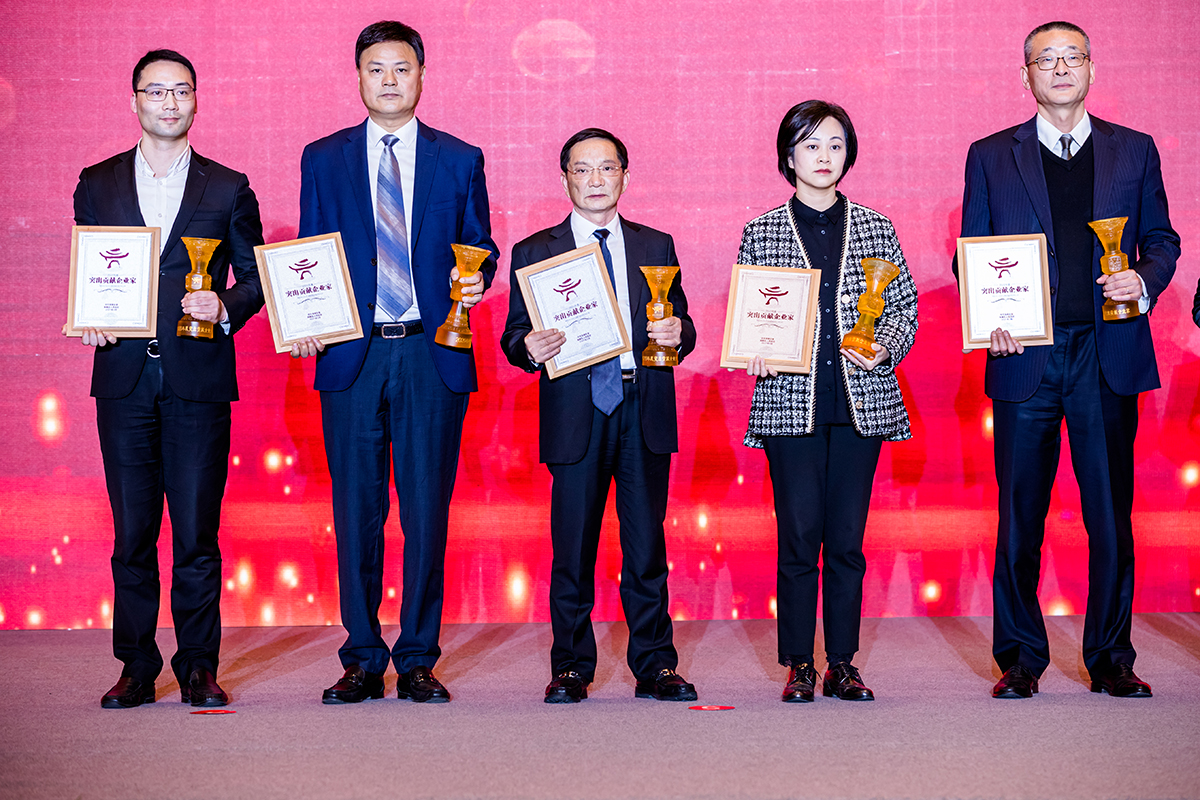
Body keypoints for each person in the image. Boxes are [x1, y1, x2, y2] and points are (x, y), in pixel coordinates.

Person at [957, 21, 1179, 699]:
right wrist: (991, 320)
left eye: (1071, 57)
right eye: (1044, 60)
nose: (1059, 68)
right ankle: (1021, 657)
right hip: (1026, 354)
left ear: (1091, 69)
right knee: (1020, 515)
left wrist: (1142, 280)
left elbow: (1162, 240)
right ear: (1025, 76)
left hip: (1107, 352)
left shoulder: (1134, 149)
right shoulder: (990, 155)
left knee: (1109, 515)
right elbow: (972, 254)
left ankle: (1111, 655)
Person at [293, 21, 498, 704]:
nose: (389, 80)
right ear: (358, 76)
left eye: (402, 68)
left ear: (422, 76)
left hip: (430, 353)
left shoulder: (459, 157)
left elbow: (480, 245)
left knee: (426, 512)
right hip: (352, 353)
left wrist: (478, 278)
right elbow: (310, 252)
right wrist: (305, 320)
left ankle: (417, 657)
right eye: (376, 68)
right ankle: (360, 656)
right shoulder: (322, 158)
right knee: (356, 510)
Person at [69, 49, 265, 708]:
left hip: (197, 379)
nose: (169, 102)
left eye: (181, 90)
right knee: (131, 533)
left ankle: (198, 665)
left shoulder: (228, 186)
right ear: (134, 101)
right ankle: (135, 665)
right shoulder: (96, 183)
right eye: (156, 91)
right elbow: (90, 270)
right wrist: (90, 316)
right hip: (123, 379)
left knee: (196, 533)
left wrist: (225, 306)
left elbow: (256, 279)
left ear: (196, 100)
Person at [501, 128, 698, 703]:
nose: (595, 179)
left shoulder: (656, 244)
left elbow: (683, 323)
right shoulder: (534, 252)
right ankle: (570, 666)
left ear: (625, 178)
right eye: (582, 169)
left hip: (642, 406)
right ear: (565, 179)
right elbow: (514, 334)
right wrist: (527, 347)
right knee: (572, 549)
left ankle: (655, 665)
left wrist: (678, 333)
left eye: (607, 168)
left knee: (646, 550)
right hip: (575, 408)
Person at [738, 101, 918, 703]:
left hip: (860, 402)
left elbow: (904, 308)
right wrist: (755, 349)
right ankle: (799, 662)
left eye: (835, 145)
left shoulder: (876, 226)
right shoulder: (762, 230)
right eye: (811, 146)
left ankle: (842, 661)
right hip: (790, 402)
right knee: (798, 536)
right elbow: (753, 314)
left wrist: (885, 347)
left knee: (845, 540)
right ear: (789, 156)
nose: (824, 157)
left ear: (849, 155)